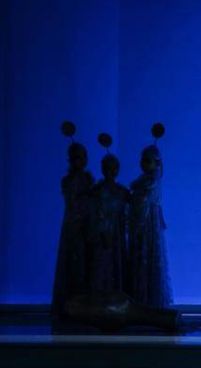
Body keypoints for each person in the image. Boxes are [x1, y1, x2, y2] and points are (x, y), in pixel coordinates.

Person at [52, 123, 95, 316]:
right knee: (73, 262)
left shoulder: (88, 178)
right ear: (71, 159)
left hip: (86, 224)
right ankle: (70, 305)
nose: (82, 161)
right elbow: (73, 202)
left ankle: (83, 305)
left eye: (84, 157)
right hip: (73, 225)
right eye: (78, 157)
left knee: (85, 262)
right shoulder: (68, 180)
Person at [128, 124, 172, 308]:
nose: (143, 164)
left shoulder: (151, 182)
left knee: (149, 254)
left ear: (156, 163)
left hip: (148, 222)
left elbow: (143, 200)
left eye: (147, 161)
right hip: (145, 221)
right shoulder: (145, 181)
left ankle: (150, 299)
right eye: (143, 160)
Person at [88, 134, 130, 294]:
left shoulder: (122, 191)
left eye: (114, 168)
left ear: (118, 170)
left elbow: (131, 204)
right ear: (102, 169)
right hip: (101, 231)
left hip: (117, 232)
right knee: (102, 261)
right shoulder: (97, 190)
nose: (111, 171)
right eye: (107, 168)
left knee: (115, 260)